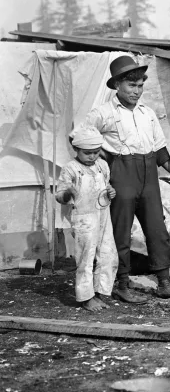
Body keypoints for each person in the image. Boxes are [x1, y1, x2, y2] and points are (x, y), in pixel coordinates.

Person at [84, 55, 170, 303]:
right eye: (131, 85)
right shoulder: (103, 113)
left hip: (149, 175)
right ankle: (122, 284)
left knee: (157, 229)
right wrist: (103, 164)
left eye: (140, 85)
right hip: (122, 175)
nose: (136, 91)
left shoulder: (147, 113)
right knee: (121, 232)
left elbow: (160, 150)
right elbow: (80, 139)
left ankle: (164, 282)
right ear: (116, 84)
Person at [55, 127, 118, 312]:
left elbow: (106, 186)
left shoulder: (102, 165)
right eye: (87, 153)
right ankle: (86, 297)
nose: (92, 156)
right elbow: (59, 196)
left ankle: (100, 292)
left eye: (96, 152)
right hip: (84, 218)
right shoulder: (70, 169)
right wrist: (68, 193)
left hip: (103, 215)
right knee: (86, 257)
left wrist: (111, 192)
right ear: (76, 149)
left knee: (108, 254)